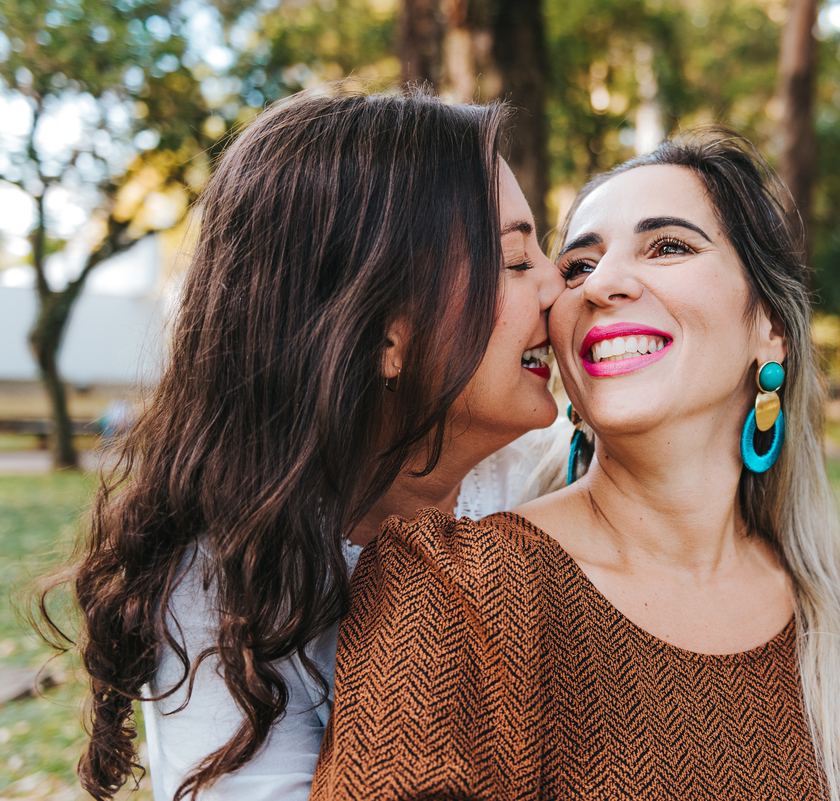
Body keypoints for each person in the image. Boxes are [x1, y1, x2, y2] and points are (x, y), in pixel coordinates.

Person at [313, 129, 840, 801]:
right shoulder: (449, 586)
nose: (603, 285)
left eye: (669, 245)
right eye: (579, 266)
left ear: (770, 324)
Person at [45, 86, 566, 800]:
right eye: (515, 261)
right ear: (384, 330)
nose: (559, 284)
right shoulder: (225, 585)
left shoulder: (544, 476)